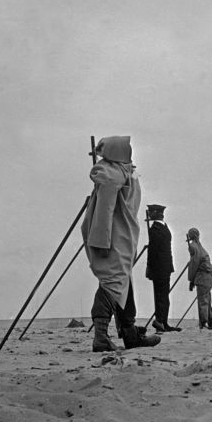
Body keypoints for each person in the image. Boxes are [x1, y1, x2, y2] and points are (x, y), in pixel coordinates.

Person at [82, 136, 160, 351]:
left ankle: (130, 333)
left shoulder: (120, 172)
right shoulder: (111, 174)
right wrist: (101, 241)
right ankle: (101, 337)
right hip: (112, 239)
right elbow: (104, 212)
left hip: (122, 237)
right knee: (113, 282)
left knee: (122, 283)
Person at [145, 204, 180, 333]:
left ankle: (160, 321)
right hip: (166, 267)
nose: (149, 214)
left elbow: (152, 251)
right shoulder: (166, 228)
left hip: (158, 267)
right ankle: (163, 322)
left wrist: (149, 267)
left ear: (155, 213)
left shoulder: (155, 229)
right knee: (164, 296)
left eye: (150, 212)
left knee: (159, 295)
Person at [187, 227, 212, 330]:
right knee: (207, 300)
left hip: (202, 278)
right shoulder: (201, 247)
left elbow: (194, 264)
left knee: (203, 301)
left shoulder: (193, 247)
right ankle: (210, 321)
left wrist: (191, 280)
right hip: (208, 278)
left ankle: (203, 323)